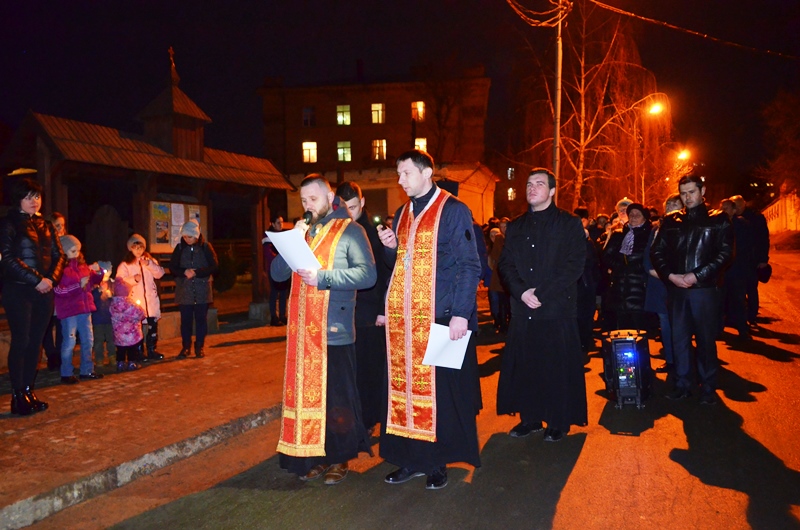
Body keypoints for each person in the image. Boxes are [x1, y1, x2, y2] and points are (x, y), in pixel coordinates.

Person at [378, 149, 482, 491]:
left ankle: (437, 463)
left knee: (441, 394)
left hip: (442, 316)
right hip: (406, 319)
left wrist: (462, 315)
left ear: (427, 173)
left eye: (406, 173)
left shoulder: (453, 210)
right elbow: (404, 263)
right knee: (406, 390)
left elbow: (469, 265)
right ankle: (411, 459)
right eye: (399, 173)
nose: (400, 180)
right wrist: (393, 246)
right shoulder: (402, 212)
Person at [272, 174, 376, 485]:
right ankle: (312, 455)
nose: (308, 206)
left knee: (337, 399)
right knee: (307, 398)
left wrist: (324, 278)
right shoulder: (303, 232)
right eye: (303, 201)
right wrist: (291, 240)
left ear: (330, 197)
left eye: (313, 199)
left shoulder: (351, 230)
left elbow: (367, 275)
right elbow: (277, 274)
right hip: (302, 332)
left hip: (334, 330)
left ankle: (339, 458)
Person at [497, 168, 588, 443]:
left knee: (556, 366)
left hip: (556, 308)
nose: (532, 188)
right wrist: (522, 291)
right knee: (527, 366)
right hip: (524, 309)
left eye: (539, 184)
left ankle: (558, 420)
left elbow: (574, 266)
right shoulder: (516, 226)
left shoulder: (568, 224)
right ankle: (531, 418)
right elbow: (506, 264)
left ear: (551, 191)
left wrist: (542, 293)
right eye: (529, 184)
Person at [651, 173, 733, 405]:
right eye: (683, 193)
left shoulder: (718, 219)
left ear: (702, 191)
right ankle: (682, 384)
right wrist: (670, 276)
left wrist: (696, 275)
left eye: (691, 192)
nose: (687, 197)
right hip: (677, 290)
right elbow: (657, 252)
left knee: (706, 340)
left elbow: (725, 253)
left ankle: (708, 387)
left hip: (704, 291)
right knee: (679, 339)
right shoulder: (671, 221)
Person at [0, 178, 66, 415]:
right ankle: (17, 396)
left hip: (44, 291)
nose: (34, 201)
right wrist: (36, 280)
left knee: (36, 343)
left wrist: (50, 280)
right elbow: (7, 258)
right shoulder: (8, 224)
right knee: (22, 341)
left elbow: (60, 256)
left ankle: (29, 390)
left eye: (36, 197)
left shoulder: (46, 225)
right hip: (18, 290)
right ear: (18, 199)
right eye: (28, 197)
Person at [335, 181, 390, 434]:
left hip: (369, 313)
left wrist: (382, 309)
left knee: (369, 369)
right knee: (349, 371)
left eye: (354, 207)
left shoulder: (374, 232)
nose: (349, 212)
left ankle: (368, 419)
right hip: (345, 312)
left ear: (363, 202)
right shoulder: (338, 229)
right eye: (344, 207)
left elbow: (387, 273)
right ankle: (353, 418)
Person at [54, 235, 104, 384]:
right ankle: (66, 373)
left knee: (88, 339)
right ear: (63, 251)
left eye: (77, 250)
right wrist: (78, 285)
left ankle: (87, 370)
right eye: (72, 250)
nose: (76, 253)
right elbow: (59, 291)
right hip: (69, 311)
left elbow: (93, 282)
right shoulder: (60, 270)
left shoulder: (83, 267)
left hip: (85, 308)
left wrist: (98, 272)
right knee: (69, 342)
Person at [644, 194, 683, 373]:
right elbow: (648, 259)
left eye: (676, 205)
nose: (671, 209)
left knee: (682, 326)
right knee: (666, 325)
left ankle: (684, 362)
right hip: (661, 285)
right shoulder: (656, 230)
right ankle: (671, 361)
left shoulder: (687, 228)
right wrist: (667, 276)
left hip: (682, 286)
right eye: (668, 205)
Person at [170, 221, 218, 359]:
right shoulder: (179, 248)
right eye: (185, 236)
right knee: (185, 321)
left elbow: (214, 266)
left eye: (189, 237)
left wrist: (197, 272)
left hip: (202, 290)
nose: (187, 239)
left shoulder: (205, 247)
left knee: (201, 320)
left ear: (196, 235)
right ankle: (186, 347)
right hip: (185, 290)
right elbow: (173, 267)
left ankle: (199, 346)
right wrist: (184, 271)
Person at [601, 203, 653, 332]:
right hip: (620, 288)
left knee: (640, 329)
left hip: (641, 288)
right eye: (631, 215)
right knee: (623, 330)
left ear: (644, 218)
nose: (634, 217)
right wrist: (620, 267)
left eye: (637, 215)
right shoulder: (619, 235)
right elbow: (606, 256)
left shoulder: (649, 235)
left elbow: (653, 258)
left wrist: (637, 267)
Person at [116, 234, 165, 361]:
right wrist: (133, 279)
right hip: (136, 303)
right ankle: (138, 352)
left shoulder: (150, 260)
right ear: (130, 248)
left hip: (151, 301)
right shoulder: (125, 264)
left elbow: (160, 273)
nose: (138, 250)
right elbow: (120, 281)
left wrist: (149, 264)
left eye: (141, 247)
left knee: (152, 327)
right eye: (135, 247)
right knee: (137, 329)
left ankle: (151, 349)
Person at [731, 195, 769, 326]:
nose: (737, 208)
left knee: (751, 287)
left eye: (739, 205)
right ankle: (739, 316)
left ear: (744, 204)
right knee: (738, 289)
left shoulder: (756, 218)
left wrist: (763, 259)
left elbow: (763, 239)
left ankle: (752, 315)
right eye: (735, 206)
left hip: (752, 259)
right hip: (737, 260)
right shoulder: (732, 218)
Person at [720, 198, 753, 339]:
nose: (724, 210)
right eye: (722, 207)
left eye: (727, 208)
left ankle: (742, 328)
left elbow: (747, 246)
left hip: (737, 268)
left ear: (734, 210)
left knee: (738, 300)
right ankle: (718, 329)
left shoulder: (743, 225)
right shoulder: (718, 223)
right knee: (720, 301)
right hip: (721, 270)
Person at [42, 211, 68, 371]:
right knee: (46, 324)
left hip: (64, 290)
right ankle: (51, 354)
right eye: (57, 226)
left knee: (61, 324)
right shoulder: (45, 242)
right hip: (49, 287)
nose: (60, 229)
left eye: (62, 226)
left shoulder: (67, 242)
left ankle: (58, 354)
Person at [110, 279, 146, 372]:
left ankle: (120, 364)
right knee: (132, 349)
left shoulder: (113, 304)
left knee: (120, 349)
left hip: (119, 334)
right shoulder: (131, 304)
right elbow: (141, 313)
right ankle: (131, 363)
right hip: (131, 333)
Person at [262, 215, 290, 326]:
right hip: (273, 269)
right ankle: (274, 317)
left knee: (283, 293)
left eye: (282, 222)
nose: (281, 225)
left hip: (285, 270)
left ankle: (283, 316)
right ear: (272, 224)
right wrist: (280, 260)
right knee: (274, 293)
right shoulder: (268, 237)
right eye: (278, 222)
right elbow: (269, 254)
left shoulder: (284, 236)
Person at [91, 264, 116, 366]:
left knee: (111, 339)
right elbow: (92, 299)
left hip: (109, 318)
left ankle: (112, 357)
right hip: (97, 319)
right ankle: (99, 358)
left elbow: (115, 300)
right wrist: (98, 291)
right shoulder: (94, 284)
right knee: (98, 340)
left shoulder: (111, 283)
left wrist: (111, 297)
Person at [488, 227, 510, 333]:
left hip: (501, 279)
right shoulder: (498, 242)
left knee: (502, 303)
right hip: (498, 280)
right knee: (499, 303)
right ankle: (500, 322)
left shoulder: (501, 241)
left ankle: (502, 323)